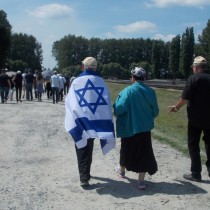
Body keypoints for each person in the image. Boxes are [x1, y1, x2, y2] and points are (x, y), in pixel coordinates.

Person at [65, 57, 116, 187]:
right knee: (90, 145)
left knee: (81, 146)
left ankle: (84, 176)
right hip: (95, 121)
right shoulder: (101, 82)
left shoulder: (77, 81)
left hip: (81, 119)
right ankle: (86, 173)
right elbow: (106, 102)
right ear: (95, 67)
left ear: (83, 66)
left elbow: (70, 101)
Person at [113, 67, 159, 190]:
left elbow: (119, 109)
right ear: (144, 78)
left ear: (132, 78)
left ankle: (122, 171)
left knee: (125, 149)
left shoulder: (126, 91)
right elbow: (155, 112)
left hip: (129, 127)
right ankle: (141, 182)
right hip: (144, 128)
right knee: (144, 152)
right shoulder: (151, 91)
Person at [169, 56, 210, 182]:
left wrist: (176, 107)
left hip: (195, 119)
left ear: (196, 67)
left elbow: (185, 98)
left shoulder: (193, 78)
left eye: (193, 67)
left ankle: (196, 173)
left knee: (193, 145)